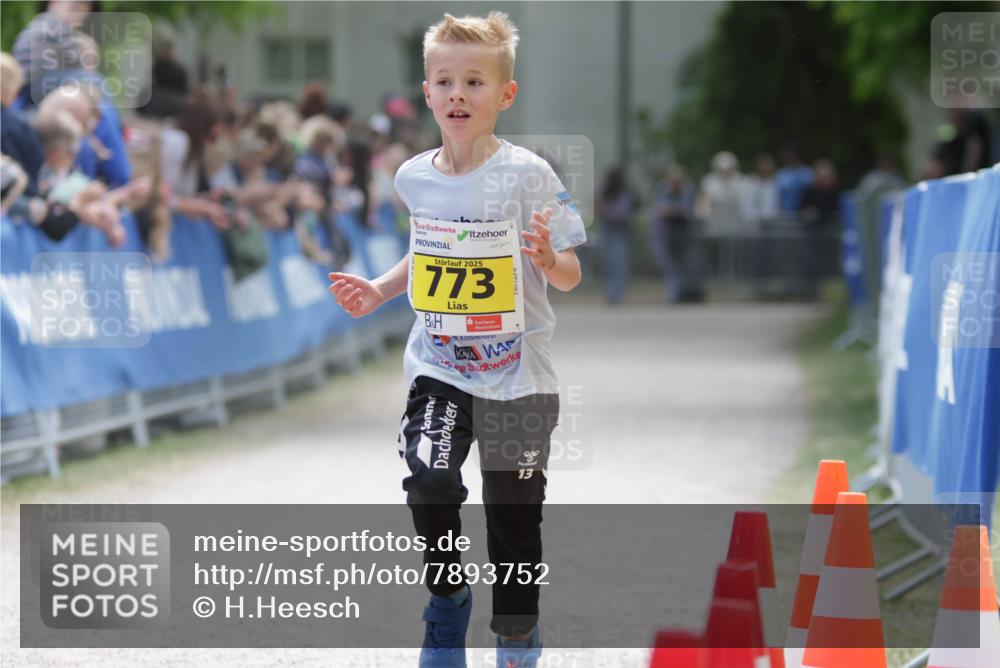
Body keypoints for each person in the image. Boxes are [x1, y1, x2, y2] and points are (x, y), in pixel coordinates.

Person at [328, 12, 585, 668]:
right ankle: (446, 606)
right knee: (430, 479)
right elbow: (428, 250)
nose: (458, 94)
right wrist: (380, 291)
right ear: (426, 92)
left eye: (475, 81)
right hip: (440, 368)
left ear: (505, 94)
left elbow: (573, 272)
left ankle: (517, 637)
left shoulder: (530, 175)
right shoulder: (413, 177)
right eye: (445, 81)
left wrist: (548, 260)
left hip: (520, 378)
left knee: (515, 522)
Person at [650, 164, 698, 302]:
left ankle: (684, 293)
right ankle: (673, 293)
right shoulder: (664, 188)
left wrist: (672, 209)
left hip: (684, 232)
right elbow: (660, 209)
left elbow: (685, 209)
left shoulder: (688, 188)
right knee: (670, 265)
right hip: (668, 233)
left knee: (686, 263)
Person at [597, 166, 637, 304]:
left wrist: (607, 210)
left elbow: (621, 213)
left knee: (619, 264)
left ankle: (617, 293)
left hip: (619, 232)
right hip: (609, 231)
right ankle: (611, 293)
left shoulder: (623, 193)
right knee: (610, 265)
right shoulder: (606, 193)